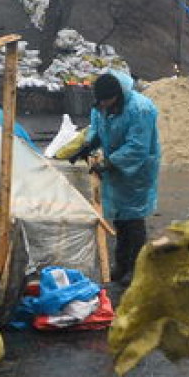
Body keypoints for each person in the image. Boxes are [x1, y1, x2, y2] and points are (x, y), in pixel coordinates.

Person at [71, 70, 161, 287]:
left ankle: (136, 267)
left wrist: (110, 163)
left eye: (107, 102)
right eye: (100, 102)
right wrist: (88, 146)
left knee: (134, 219)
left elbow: (137, 146)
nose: (103, 106)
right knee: (120, 217)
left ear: (117, 96)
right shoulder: (102, 105)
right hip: (116, 165)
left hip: (137, 167)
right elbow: (98, 129)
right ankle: (121, 264)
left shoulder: (140, 109)